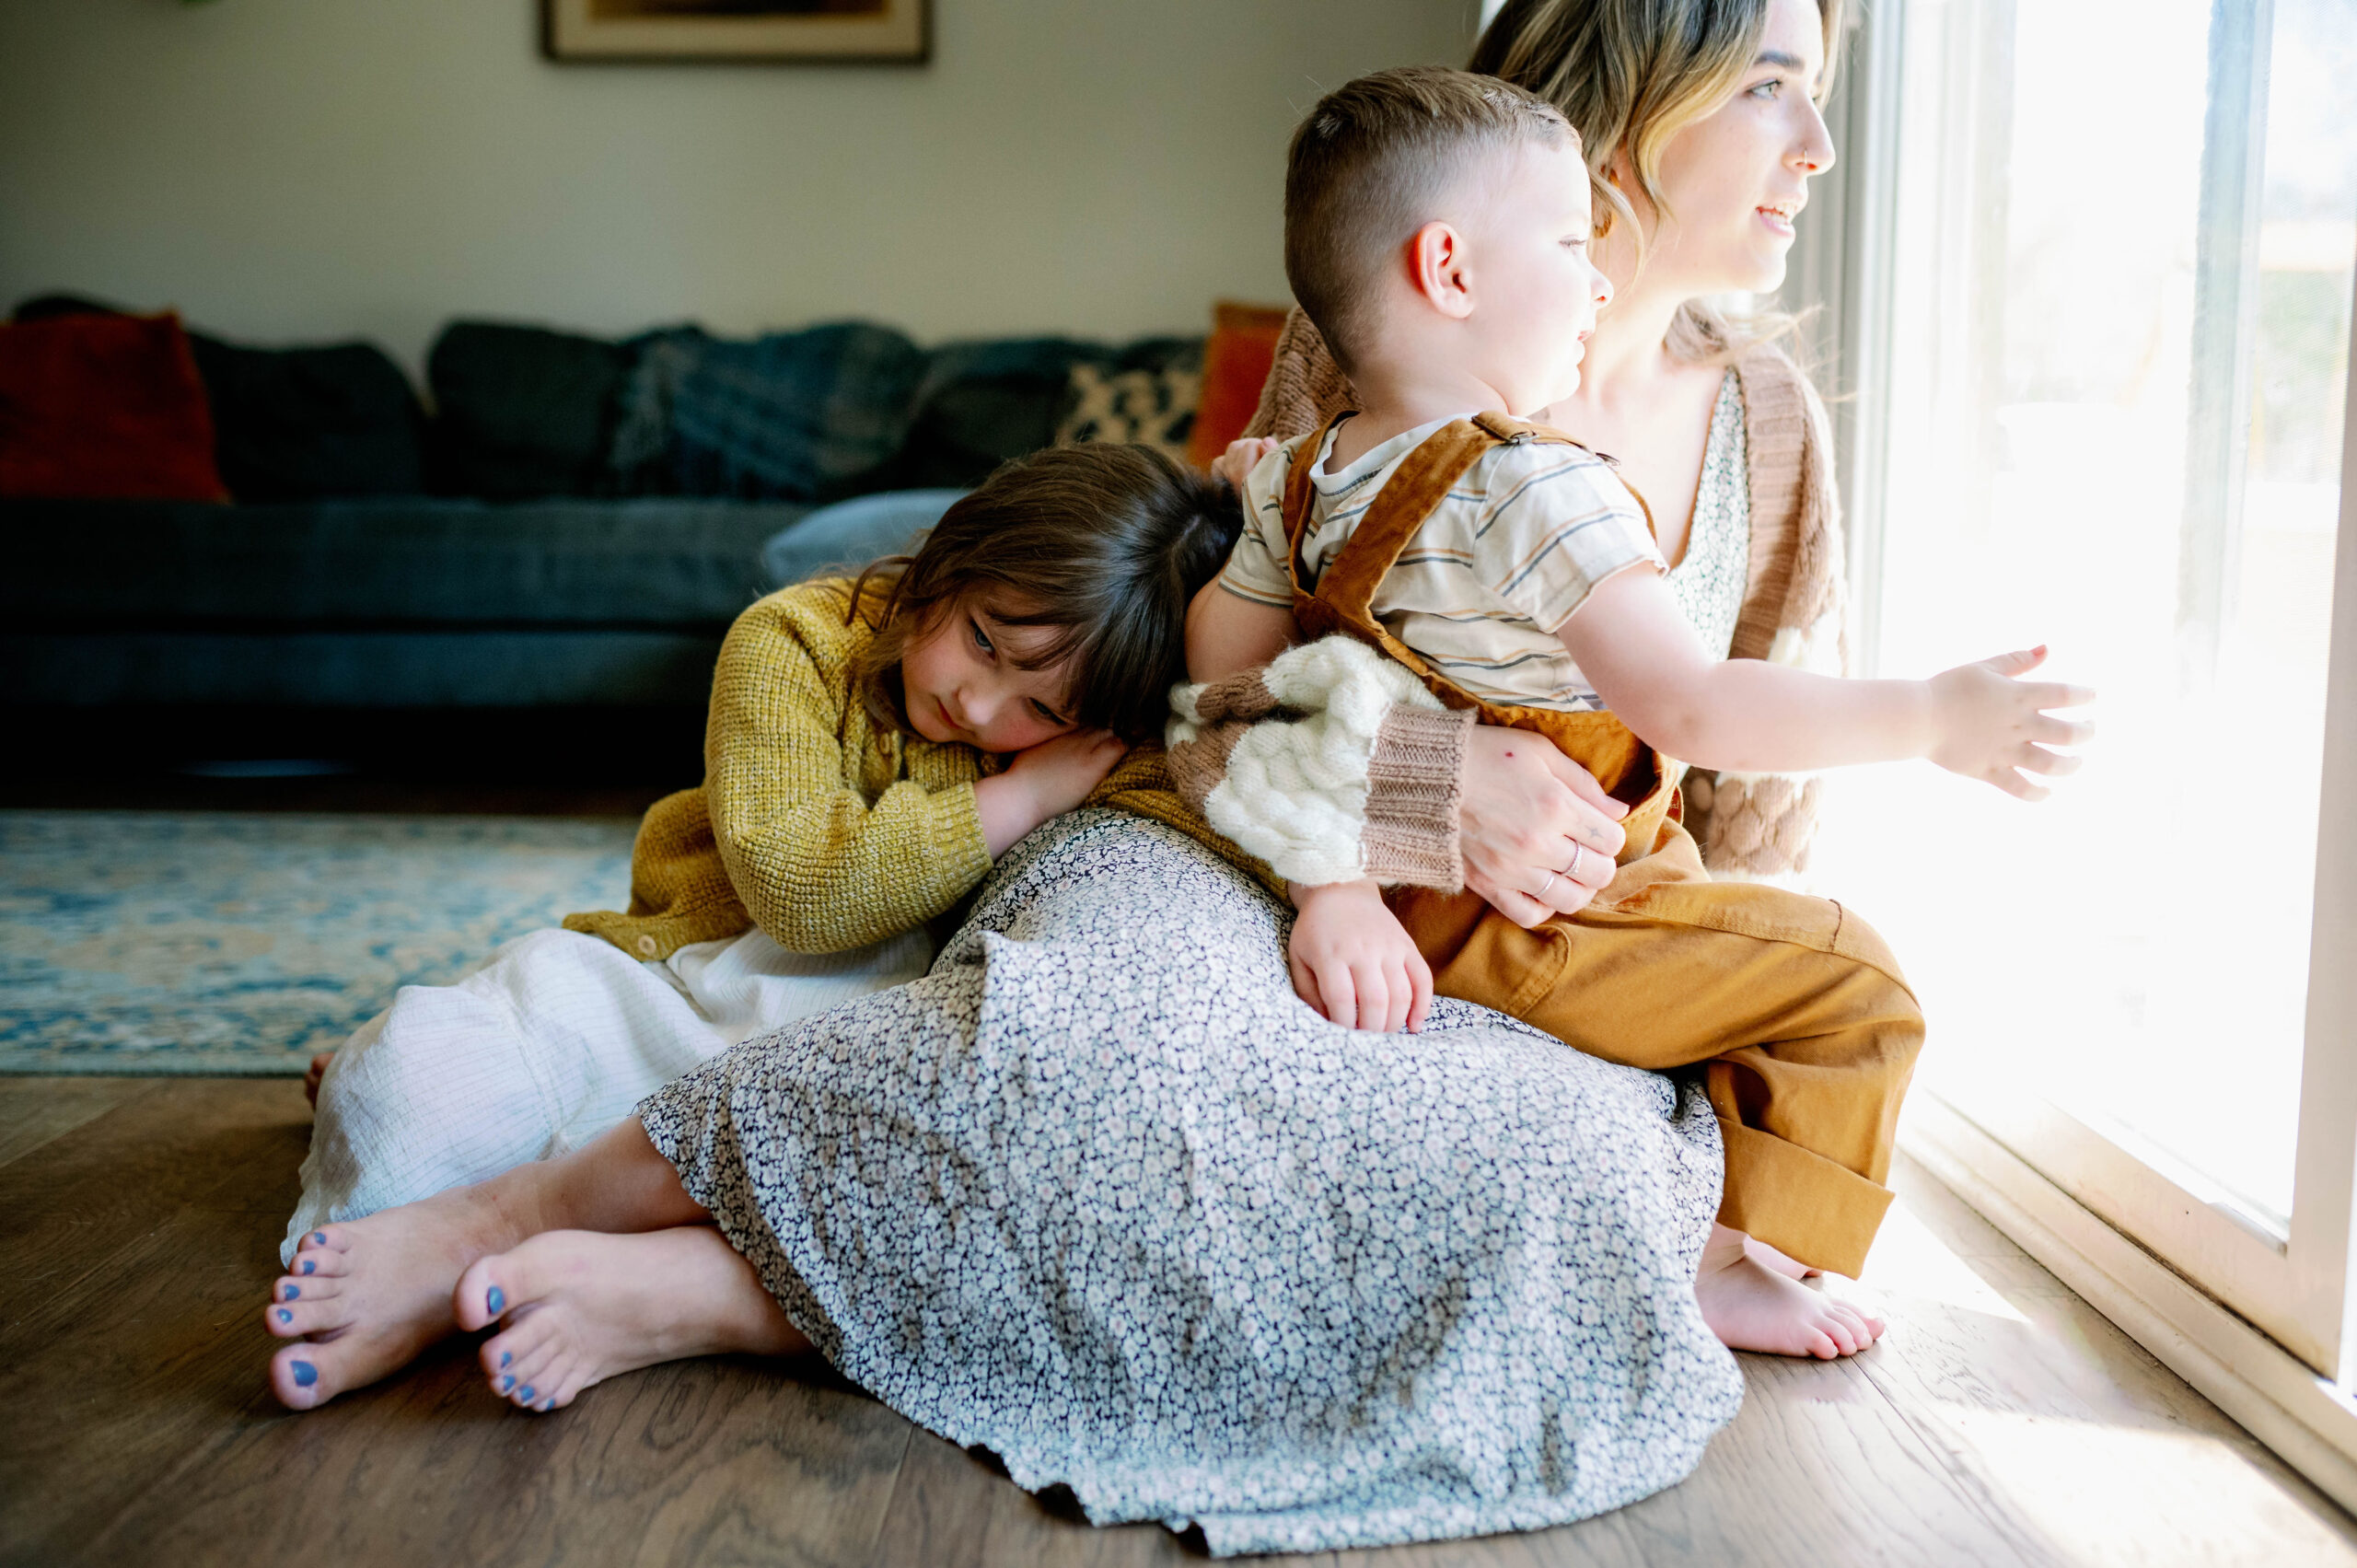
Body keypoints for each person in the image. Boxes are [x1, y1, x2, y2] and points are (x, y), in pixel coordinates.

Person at [1177, 64, 2094, 1360]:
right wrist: (1937, 718)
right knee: (1856, 987)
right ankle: (1727, 1260)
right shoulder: (1541, 485)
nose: (1597, 280)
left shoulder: (1310, 473)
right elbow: (1697, 702)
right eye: (1566, 244)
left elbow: (1226, 670)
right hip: (1546, 905)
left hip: (1390, 888)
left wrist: (1242, 518)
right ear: (1450, 268)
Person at [264, 440, 1244, 1408]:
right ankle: (433, 1167)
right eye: (984, 640)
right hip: (665, 985)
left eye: (1036, 704)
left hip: (816, 1066)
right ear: (957, 554)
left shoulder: (1092, 739)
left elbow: (1229, 758)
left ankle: (505, 1261)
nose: (976, 701)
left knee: (952, 1206)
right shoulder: (793, 640)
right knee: (408, 1088)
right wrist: (1014, 801)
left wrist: (1254, 535)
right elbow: (799, 889)